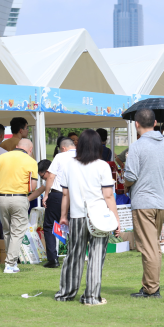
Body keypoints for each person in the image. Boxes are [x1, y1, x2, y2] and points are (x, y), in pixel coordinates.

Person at [54, 129, 120, 305]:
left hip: (77, 216)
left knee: (74, 255)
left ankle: (66, 293)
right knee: (97, 256)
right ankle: (91, 296)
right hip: (99, 216)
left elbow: (65, 194)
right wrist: (116, 219)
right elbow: (108, 196)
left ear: (79, 145)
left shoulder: (69, 165)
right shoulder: (102, 166)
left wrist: (63, 216)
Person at [124, 109, 164, 298]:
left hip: (143, 202)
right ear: (154, 123)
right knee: (153, 245)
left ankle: (152, 288)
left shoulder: (137, 146)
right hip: (161, 202)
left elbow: (130, 176)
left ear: (136, 124)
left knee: (149, 247)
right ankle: (149, 284)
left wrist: (126, 184)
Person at [0, 139, 38, 273]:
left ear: (16, 147)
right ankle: (10, 264)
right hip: (19, 198)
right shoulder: (31, 161)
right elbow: (33, 187)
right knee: (18, 232)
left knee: (7, 231)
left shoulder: (2, 157)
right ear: (30, 150)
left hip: (1, 198)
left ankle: (12, 262)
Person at [42, 137, 77, 268]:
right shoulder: (83, 155)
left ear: (63, 148)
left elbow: (51, 176)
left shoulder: (60, 156)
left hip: (58, 194)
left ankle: (53, 259)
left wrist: (46, 194)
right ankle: (75, 256)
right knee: (75, 226)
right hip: (77, 196)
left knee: (49, 226)